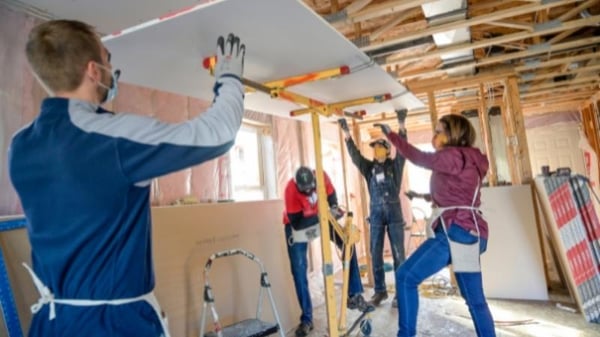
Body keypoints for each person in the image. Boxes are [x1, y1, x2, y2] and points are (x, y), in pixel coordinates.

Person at [8, 20, 246, 337]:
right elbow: (218, 134)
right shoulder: (111, 137)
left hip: (52, 322)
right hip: (114, 324)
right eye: (108, 60)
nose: (112, 68)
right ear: (93, 71)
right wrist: (228, 78)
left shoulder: (21, 145)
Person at [375, 115, 496, 337]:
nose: (435, 135)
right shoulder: (470, 158)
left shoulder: (452, 155)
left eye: (439, 131)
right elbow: (456, 193)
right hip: (470, 233)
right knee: (475, 301)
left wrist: (392, 136)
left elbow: (419, 158)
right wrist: (422, 195)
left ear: (453, 134)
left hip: (454, 232)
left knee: (404, 277)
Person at [283, 166, 374, 337]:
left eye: (312, 187)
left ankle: (353, 295)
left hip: (321, 216)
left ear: (314, 180)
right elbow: (297, 223)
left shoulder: (322, 176)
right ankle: (307, 319)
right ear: (297, 186)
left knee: (348, 243)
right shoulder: (290, 190)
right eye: (306, 191)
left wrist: (332, 210)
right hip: (298, 225)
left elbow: (333, 199)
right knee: (298, 269)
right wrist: (320, 216)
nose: (310, 192)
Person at [338, 109, 408, 308]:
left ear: (387, 149)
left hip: (394, 214)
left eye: (379, 146)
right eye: (374, 147)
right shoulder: (369, 168)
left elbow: (403, 149)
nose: (376, 149)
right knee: (375, 252)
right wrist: (346, 134)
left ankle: (400, 294)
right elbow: (355, 156)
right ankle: (380, 292)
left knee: (398, 254)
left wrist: (400, 125)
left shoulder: (395, 165)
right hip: (376, 213)